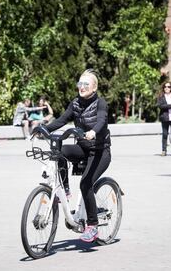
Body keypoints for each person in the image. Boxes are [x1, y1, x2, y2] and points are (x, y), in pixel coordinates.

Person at [45, 69, 111, 243]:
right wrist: (44, 129)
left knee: (85, 183)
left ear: (94, 88)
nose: (81, 87)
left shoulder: (101, 103)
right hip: (83, 147)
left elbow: (101, 121)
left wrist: (93, 132)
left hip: (100, 152)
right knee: (59, 152)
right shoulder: (75, 103)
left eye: (85, 84)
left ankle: (93, 226)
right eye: (79, 84)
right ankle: (65, 191)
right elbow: (62, 120)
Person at [157, 81, 171, 156]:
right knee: (165, 134)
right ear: (163, 88)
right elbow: (160, 106)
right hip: (165, 117)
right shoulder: (161, 96)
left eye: (169, 87)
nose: (167, 88)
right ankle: (164, 150)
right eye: (165, 87)